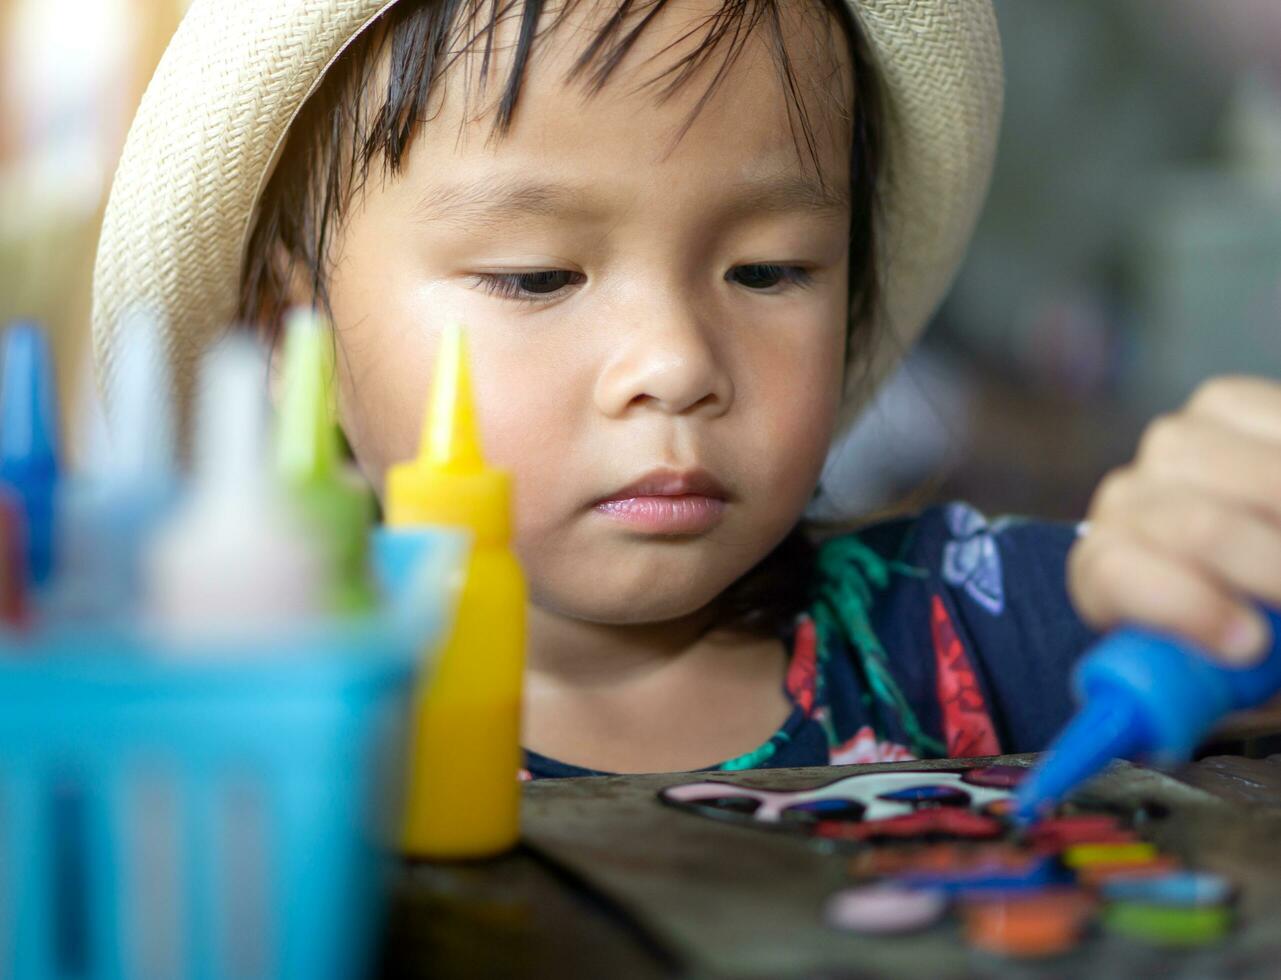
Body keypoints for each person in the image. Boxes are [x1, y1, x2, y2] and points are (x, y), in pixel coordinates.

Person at [92, 0, 1281, 779]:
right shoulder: (251, 716)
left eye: (770, 269)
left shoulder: (961, 625)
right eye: (536, 274)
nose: (676, 360)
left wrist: (1220, 555)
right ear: (294, 333)